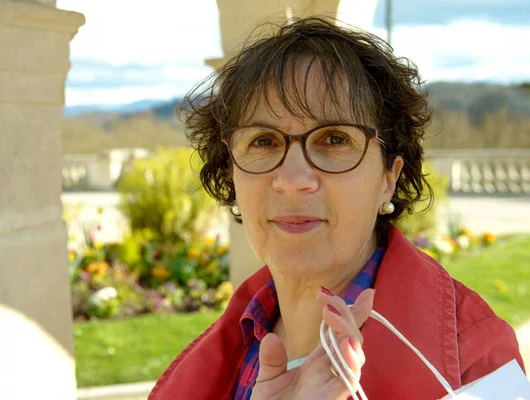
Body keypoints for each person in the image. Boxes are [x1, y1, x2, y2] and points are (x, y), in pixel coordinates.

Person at [149, 17, 525, 399]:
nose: (292, 179)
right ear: (231, 174)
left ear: (388, 179)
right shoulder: (208, 365)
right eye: (263, 141)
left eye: (333, 138)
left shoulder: (476, 362)